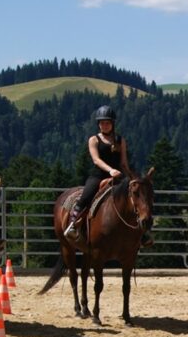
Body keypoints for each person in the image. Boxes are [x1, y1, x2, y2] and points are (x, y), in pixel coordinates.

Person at [64, 105, 151, 246]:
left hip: (119, 177)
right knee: (86, 196)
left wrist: (131, 176)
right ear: (98, 124)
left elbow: (123, 162)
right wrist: (110, 170)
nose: (104, 125)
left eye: (107, 123)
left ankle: (142, 232)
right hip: (99, 176)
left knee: (136, 198)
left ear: (112, 123)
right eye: (102, 123)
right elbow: (96, 160)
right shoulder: (94, 140)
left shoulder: (120, 140)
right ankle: (74, 224)